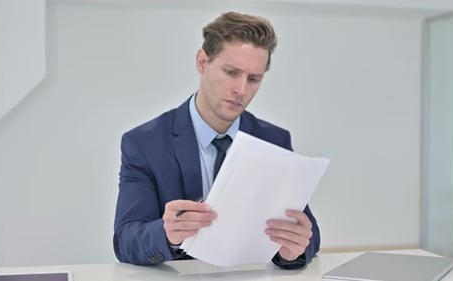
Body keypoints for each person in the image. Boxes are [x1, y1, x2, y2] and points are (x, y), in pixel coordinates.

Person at [113, 11, 320, 270]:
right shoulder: (144, 143)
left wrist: (293, 251)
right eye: (231, 72)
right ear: (202, 62)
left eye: (253, 79)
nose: (241, 90)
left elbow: (308, 235)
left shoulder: (275, 140)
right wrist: (167, 233)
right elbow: (125, 240)